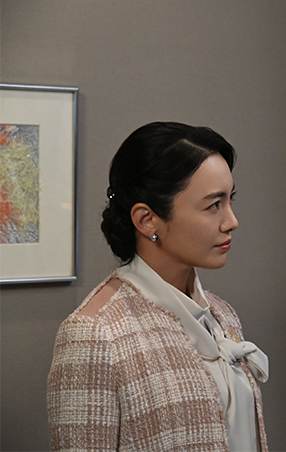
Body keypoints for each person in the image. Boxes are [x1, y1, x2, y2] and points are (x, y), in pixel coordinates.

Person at [48, 122, 268, 451]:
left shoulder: (222, 315)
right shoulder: (95, 333)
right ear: (146, 219)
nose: (231, 221)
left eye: (230, 200)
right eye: (213, 205)